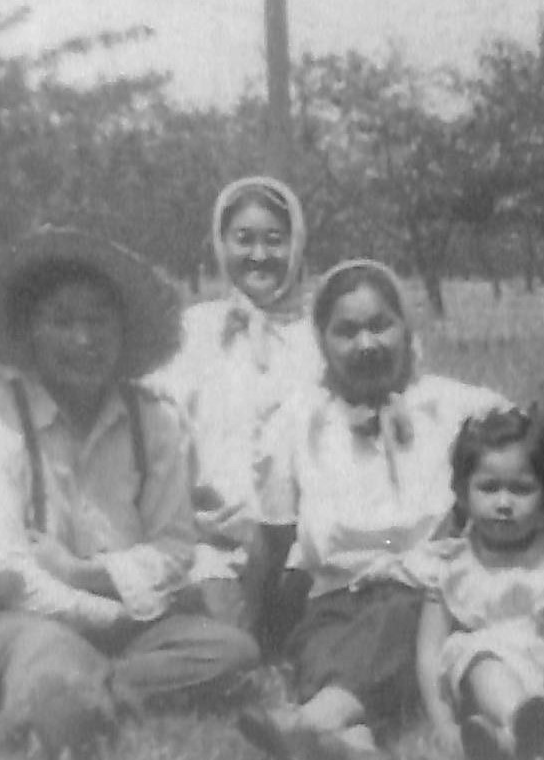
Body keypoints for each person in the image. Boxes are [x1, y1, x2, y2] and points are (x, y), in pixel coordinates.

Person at [0, 229, 260, 759]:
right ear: (27, 333)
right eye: (62, 321)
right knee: (47, 647)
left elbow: (175, 547)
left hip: (129, 616)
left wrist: (85, 576)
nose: (83, 340)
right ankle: (55, 691)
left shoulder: (155, 420)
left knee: (232, 652)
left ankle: (57, 693)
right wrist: (99, 614)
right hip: (18, 615)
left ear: (124, 331)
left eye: (98, 321)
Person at [237, 260, 510, 760]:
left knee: (401, 620)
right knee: (326, 648)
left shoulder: (460, 408)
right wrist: (253, 628)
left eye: (380, 325)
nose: (367, 344)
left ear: (406, 328)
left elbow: (531, 480)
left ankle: (312, 720)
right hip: (333, 599)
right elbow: (274, 538)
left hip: (433, 596)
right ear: (321, 340)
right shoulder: (298, 420)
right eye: (347, 331)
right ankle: (352, 745)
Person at [147, 176, 322, 640]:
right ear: (220, 244)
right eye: (243, 239)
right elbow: (155, 423)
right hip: (211, 537)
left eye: (274, 240)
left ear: (297, 244)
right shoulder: (193, 330)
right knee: (230, 633)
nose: (259, 255)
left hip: (303, 540)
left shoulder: (321, 333)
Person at [410, 407, 544, 760]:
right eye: (489, 488)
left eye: (521, 490)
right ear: (461, 493)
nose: (504, 503)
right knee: (481, 657)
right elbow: (430, 651)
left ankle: (511, 737)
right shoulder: (450, 565)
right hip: (481, 676)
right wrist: (444, 725)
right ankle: (521, 724)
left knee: (536, 693)